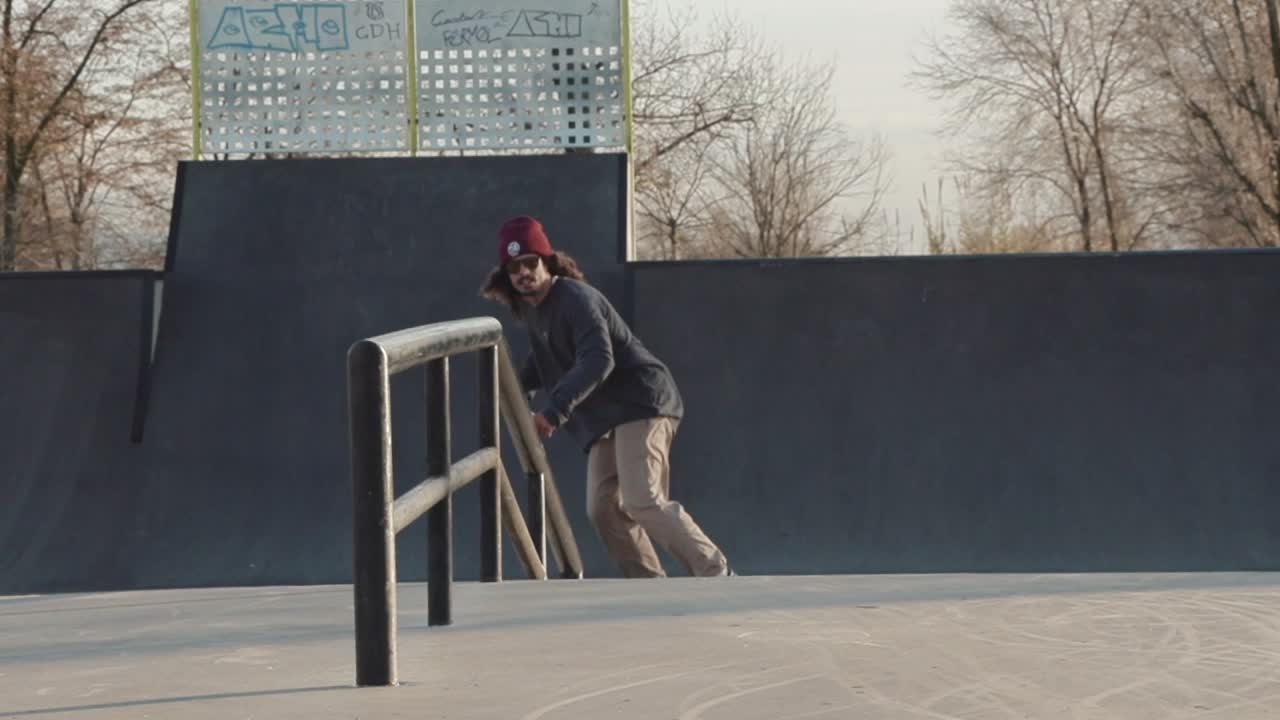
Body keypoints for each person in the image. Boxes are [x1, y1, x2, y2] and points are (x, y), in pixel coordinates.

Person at [481, 215, 732, 579]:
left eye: (530, 263)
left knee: (641, 499)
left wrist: (553, 411)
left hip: (641, 402)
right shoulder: (535, 312)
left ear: (546, 261)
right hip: (607, 419)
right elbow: (544, 359)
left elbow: (599, 357)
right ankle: (648, 584)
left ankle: (715, 572)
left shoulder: (575, 299)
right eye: (515, 268)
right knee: (601, 508)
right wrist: (515, 389)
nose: (524, 274)